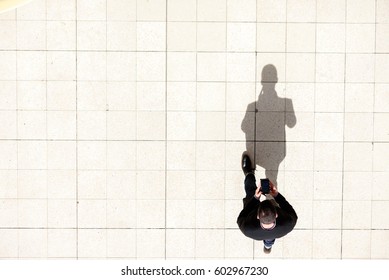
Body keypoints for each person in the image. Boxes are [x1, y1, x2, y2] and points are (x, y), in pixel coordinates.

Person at [237, 152, 298, 254]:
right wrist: (276, 195)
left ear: (257, 216)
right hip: (274, 232)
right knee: (270, 238)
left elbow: (243, 215)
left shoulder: (247, 229)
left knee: (250, 193)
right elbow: (288, 208)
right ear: (276, 214)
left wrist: (255, 198)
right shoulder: (289, 224)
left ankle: (249, 174)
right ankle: (268, 246)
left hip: (254, 212)